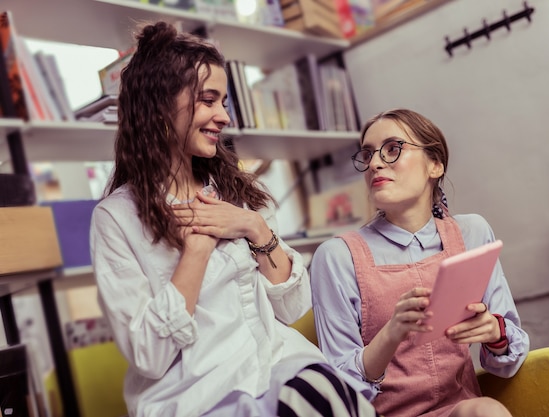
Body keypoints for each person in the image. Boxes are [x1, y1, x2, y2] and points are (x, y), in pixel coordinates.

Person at [89, 21, 380, 417]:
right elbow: (150, 356)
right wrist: (196, 251)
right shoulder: (115, 219)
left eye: (224, 102)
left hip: (276, 365)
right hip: (198, 396)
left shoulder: (238, 194)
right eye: (208, 100)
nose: (223, 116)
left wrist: (253, 227)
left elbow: (292, 309)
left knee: (322, 393)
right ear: (159, 104)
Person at [309, 109, 530, 417]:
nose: (374, 163)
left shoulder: (472, 233)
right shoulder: (336, 256)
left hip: (462, 410)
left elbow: (509, 362)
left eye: (392, 149)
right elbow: (340, 389)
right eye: (368, 154)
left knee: (485, 412)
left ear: (435, 165)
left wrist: (495, 332)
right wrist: (391, 333)